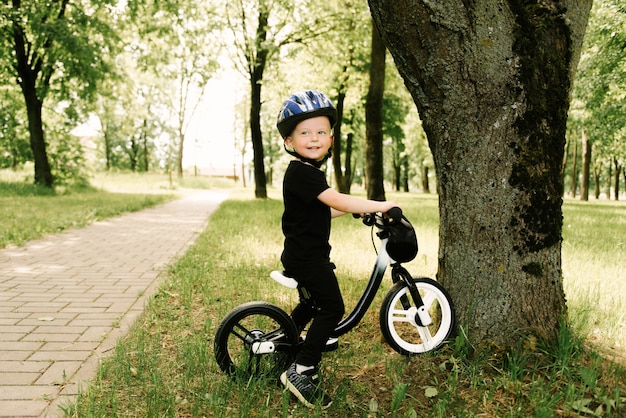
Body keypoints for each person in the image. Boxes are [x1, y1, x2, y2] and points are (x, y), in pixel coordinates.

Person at [276, 90, 398, 409]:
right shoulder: (302, 173)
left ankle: (281, 340)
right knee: (332, 307)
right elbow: (335, 199)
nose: (313, 138)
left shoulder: (307, 174)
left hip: (303, 255)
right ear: (289, 141)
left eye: (320, 132)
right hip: (307, 258)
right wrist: (381, 205)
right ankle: (301, 369)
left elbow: (325, 209)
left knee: (311, 305)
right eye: (304, 133)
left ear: (330, 139)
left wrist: (356, 210)